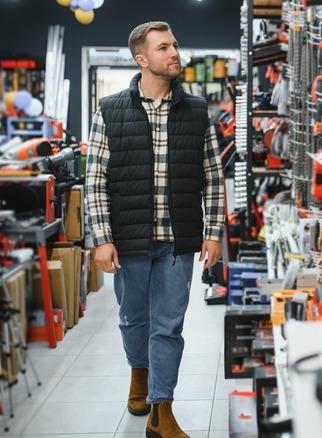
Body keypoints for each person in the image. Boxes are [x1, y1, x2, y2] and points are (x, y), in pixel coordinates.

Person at [85, 21, 224, 438]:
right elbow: (95, 179)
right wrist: (102, 238)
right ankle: (139, 374)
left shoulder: (198, 110)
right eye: (164, 48)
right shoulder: (109, 109)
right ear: (141, 59)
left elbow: (213, 177)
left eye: (176, 45)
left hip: (178, 240)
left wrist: (213, 231)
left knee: (169, 325)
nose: (175, 53)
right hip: (129, 239)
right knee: (133, 319)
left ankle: (161, 409)